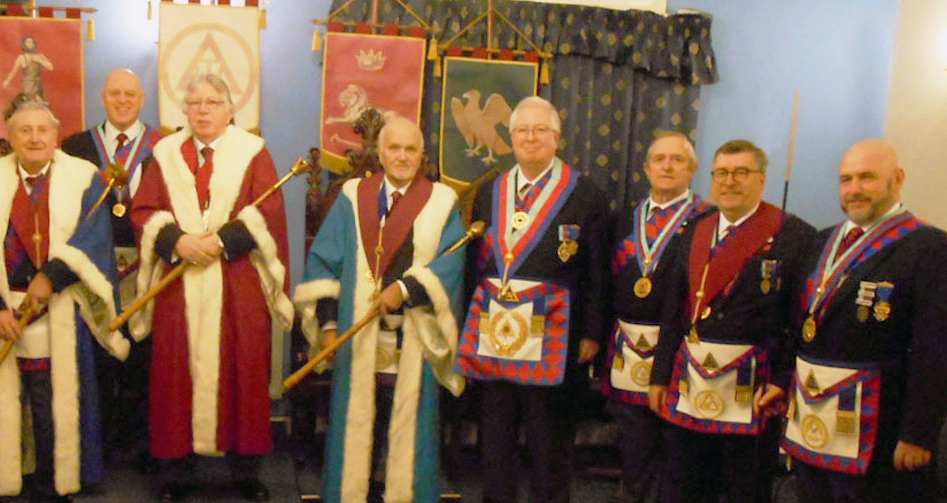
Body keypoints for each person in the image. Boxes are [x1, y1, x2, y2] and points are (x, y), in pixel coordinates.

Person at [128, 73, 293, 502]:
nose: (203, 110)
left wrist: (220, 243)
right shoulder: (163, 153)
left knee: (244, 370)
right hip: (176, 283)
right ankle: (177, 474)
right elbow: (144, 210)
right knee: (174, 374)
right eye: (195, 102)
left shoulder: (252, 152)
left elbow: (268, 211)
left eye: (213, 102)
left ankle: (245, 473)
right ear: (184, 109)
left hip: (236, 279)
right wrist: (177, 241)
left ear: (230, 109)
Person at [0, 102, 129, 501]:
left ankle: (55, 482)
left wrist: (51, 277)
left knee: (54, 402)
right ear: (11, 137)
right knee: (9, 403)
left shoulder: (84, 177)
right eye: (25, 131)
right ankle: (8, 478)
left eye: (42, 131)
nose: (34, 139)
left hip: (62, 307)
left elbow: (93, 238)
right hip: (4, 309)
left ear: (56, 136)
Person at [783, 139, 947, 503]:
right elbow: (799, 326)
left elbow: (937, 351)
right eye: (846, 179)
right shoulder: (821, 242)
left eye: (867, 177)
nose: (854, 189)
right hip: (812, 416)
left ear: (897, 179)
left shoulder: (931, 248)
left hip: (878, 429)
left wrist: (919, 433)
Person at [295, 118, 466, 503]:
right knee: (356, 426)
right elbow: (325, 263)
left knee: (409, 427)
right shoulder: (352, 197)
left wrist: (404, 289)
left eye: (410, 149)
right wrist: (327, 326)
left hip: (414, 334)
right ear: (380, 153)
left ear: (421, 155)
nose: (402, 156)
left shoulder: (442, 203)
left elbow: (452, 264)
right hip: (357, 333)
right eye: (394, 148)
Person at [454, 96, 612, 503]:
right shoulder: (491, 189)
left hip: (557, 340)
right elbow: (476, 263)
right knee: (496, 440)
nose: (531, 137)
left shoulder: (586, 194)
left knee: (549, 442)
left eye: (541, 130)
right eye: (522, 130)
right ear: (511, 138)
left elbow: (598, 272)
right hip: (496, 338)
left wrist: (593, 333)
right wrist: (465, 327)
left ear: (557, 138)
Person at [648, 139, 816, 503]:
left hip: (752, 389)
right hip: (692, 382)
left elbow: (798, 319)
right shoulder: (694, 230)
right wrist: (660, 375)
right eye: (721, 173)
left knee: (744, 489)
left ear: (761, 179)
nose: (729, 181)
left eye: (741, 172)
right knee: (683, 483)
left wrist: (783, 381)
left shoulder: (795, 236)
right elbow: (673, 311)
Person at [60, 69, 165, 466]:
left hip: (147, 265)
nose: (123, 100)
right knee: (98, 355)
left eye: (130, 94)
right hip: (94, 265)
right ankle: (101, 445)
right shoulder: (74, 146)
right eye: (115, 93)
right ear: (103, 97)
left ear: (142, 99)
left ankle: (144, 447)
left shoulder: (165, 146)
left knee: (145, 357)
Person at [600, 131, 713, 503]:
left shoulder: (708, 221)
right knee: (633, 438)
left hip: (680, 346)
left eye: (676, 159)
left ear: (692, 170)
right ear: (647, 169)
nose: (667, 166)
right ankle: (631, 493)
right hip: (628, 346)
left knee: (676, 447)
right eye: (659, 159)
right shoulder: (625, 217)